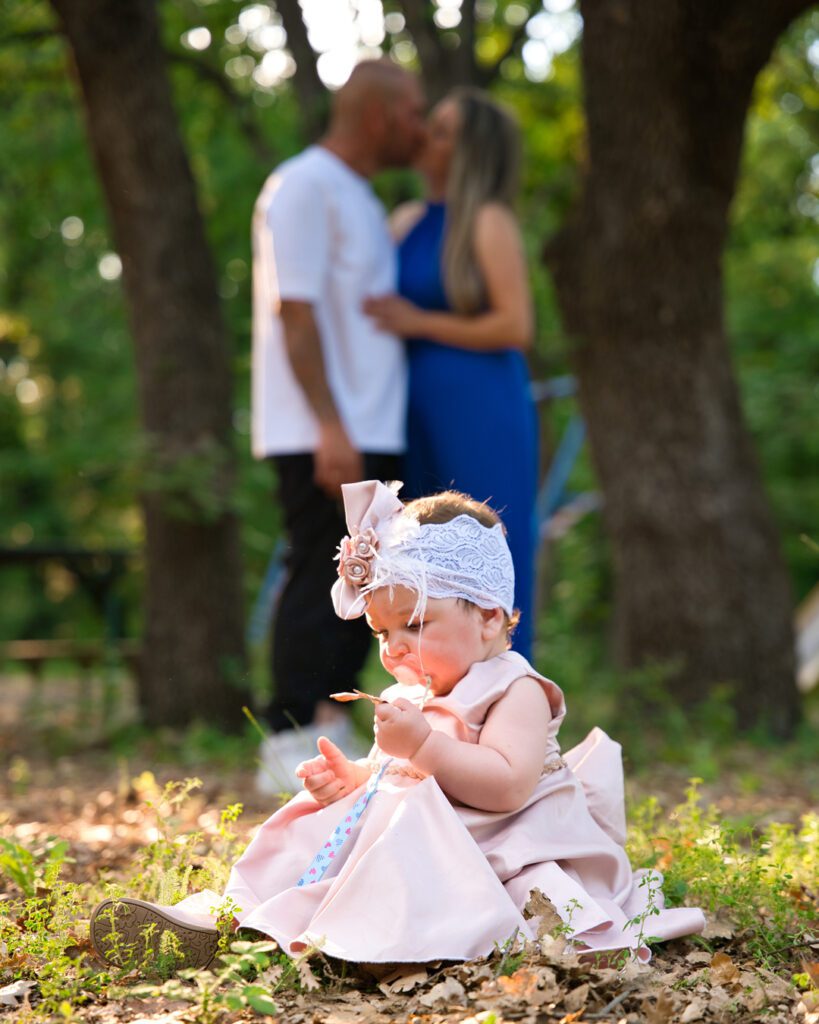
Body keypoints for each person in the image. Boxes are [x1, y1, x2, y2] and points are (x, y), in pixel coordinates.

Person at [90, 481, 705, 969]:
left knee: (474, 878)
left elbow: (507, 785)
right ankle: (228, 917)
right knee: (316, 829)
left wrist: (426, 744)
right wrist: (355, 777)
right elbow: (401, 770)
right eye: (382, 633)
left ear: (489, 618)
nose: (394, 649)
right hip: (428, 833)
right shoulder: (415, 688)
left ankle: (350, 937)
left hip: (498, 848)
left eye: (415, 625)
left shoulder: (517, 691)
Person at [251, 60, 427, 792]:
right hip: (321, 427)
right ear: (382, 114)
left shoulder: (356, 195)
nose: (419, 129)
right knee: (317, 570)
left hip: (366, 423)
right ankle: (286, 736)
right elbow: (293, 311)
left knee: (361, 582)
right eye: (414, 113)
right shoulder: (303, 185)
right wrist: (329, 424)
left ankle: (328, 726)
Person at [364, 88, 539, 659]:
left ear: (469, 152)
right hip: (413, 408)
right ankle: (438, 710)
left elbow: (516, 324)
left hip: (480, 404)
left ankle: (514, 708)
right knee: (420, 555)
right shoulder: (406, 220)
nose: (425, 139)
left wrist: (419, 321)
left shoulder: (487, 221)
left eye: (441, 132)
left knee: (489, 552)